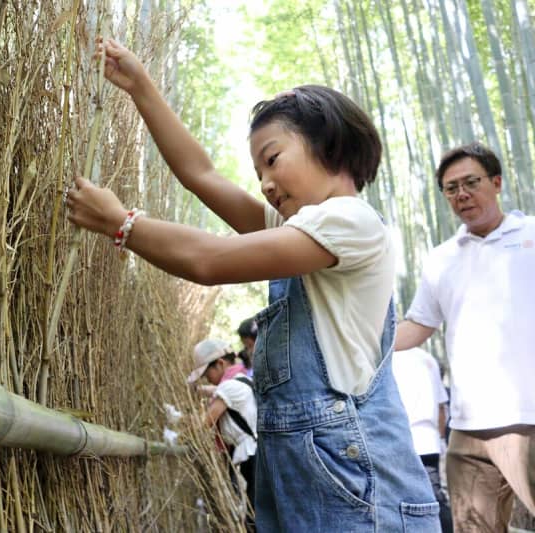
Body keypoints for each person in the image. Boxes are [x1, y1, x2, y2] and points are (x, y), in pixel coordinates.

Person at [66, 38, 439, 531]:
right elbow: (200, 174)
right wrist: (141, 88)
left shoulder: (348, 221)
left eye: (273, 158)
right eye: (259, 170)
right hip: (311, 473)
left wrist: (122, 224)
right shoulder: (303, 227)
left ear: (327, 143)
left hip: (357, 483)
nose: (264, 181)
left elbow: (208, 260)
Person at [395, 142, 535, 532]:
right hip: (468, 431)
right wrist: (362, 343)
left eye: (471, 183)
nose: (462, 195)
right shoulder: (441, 258)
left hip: (529, 417)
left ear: (497, 182)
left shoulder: (531, 236)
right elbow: (419, 325)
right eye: (451, 188)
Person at [188, 339, 257, 531]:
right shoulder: (242, 379)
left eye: (207, 373)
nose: (207, 379)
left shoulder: (228, 388)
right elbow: (214, 390)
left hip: (252, 458)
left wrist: (181, 420)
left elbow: (204, 424)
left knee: (253, 517)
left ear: (220, 363)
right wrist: (198, 390)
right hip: (257, 454)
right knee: (256, 512)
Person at [392, 347, 453, 532]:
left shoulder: (385, 356)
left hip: (399, 440)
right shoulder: (427, 358)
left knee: (397, 500)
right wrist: (441, 438)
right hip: (427, 440)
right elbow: (441, 407)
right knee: (434, 497)